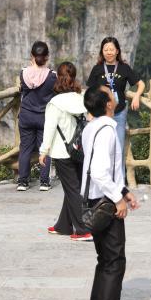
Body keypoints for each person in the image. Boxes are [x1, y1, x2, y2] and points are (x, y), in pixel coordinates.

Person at [82, 86, 140, 300]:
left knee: (105, 259)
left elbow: (105, 169)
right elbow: (99, 172)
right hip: (105, 202)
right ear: (107, 104)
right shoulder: (106, 130)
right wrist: (118, 200)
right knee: (114, 261)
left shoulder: (91, 127)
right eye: (111, 94)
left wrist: (124, 191)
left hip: (96, 198)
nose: (115, 96)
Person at [39, 62, 92, 241]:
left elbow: (49, 129)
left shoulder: (55, 103)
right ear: (74, 77)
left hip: (62, 152)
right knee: (73, 187)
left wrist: (43, 151)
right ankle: (63, 225)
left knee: (72, 190)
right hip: (80, 149)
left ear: (57, 78)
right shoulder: (82, 97)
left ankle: (83, 230)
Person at [86, 37, 143, 159]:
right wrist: (90, 111)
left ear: (117, 51)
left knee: (118, 148)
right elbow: (90, 92)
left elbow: (141, 84)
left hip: (119, 112)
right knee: (101, 146)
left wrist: (137, 96)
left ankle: (118, 172)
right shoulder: (97, 69)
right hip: (100, 113)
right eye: (106, 49)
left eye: (111, 49)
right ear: (102, 52)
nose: (109, 52)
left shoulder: (124, 68)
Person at [17, 41, 57, 191]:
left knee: (25, 148)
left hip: (26, 116)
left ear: (32, 56)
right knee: (45, 148)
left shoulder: (23, 74)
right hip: (44, 117)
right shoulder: (52, 76)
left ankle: (22, 182)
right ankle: (44, 182)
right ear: (47, 57)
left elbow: (22, 89)